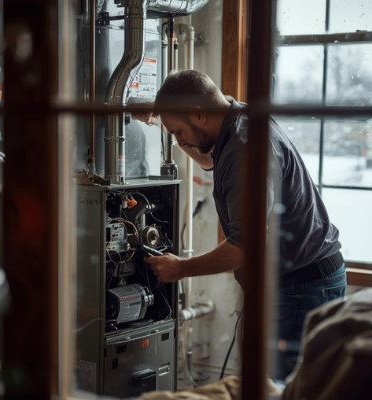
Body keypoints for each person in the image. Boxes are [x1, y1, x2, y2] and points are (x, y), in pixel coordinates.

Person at [133, 70, 347, 379]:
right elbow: (209, 160)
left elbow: (245, 246)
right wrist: (167, 113)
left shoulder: (244, 149)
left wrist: (181, 268)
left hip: (302, 286)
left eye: (179, 132)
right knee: (272, 391)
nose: (179, 141)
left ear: (199, 115)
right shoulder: (237, 117)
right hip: (300, 279)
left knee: (276, 397)